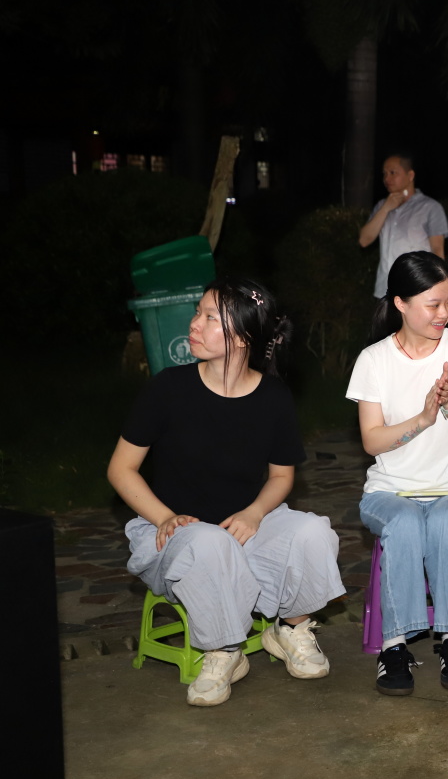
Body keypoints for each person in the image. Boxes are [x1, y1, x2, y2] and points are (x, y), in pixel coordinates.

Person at [108, 277, 344, 707]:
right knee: (209, 543)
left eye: (209, 317)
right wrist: (163, 517)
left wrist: (255, 513)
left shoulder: (273, 397)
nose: (194, 324)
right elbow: (121, 469)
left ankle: (291, 628)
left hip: (245, 528)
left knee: (313, 532)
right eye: (197, 313)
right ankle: (224, 651)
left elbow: (281, 477)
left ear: (243, 337)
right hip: (177, 536)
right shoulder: (168, 388)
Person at [346, 252, 448, 696]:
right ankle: (394, 648)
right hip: (389, 493)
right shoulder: (373, 360)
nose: (444, 313)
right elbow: (372, 442)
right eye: (433, 304)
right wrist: (424, 418)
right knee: (406, 522)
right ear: (400, 303)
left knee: (446, 521)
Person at [359, 152, 448, 298]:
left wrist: (437, 288)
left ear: (410, 175)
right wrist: (386, 208)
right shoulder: (381, 206)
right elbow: (364, 240)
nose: (387, 179)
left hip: (417, 290)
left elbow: (438, 251)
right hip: (385, 290)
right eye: (384, 174)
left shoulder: (430, 207)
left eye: (393, 173)